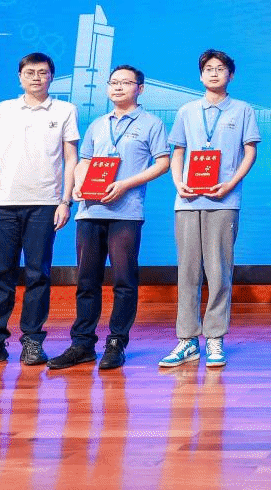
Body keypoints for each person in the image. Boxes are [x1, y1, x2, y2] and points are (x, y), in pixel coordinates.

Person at [0, 52, 79, 371]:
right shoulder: (3, 110)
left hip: (45, 204)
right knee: (1, 276)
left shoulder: (65, 110)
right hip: (2, 204)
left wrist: (65, 201)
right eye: (30, 72)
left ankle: (32, 341)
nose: (36, 77)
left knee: (38, 274)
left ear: (51, 77)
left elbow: (71, 158)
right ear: (20, 77)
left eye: (42, 72)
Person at [48, 65, 170, 371]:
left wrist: (125, 184)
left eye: (125, 83)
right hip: (89, 211)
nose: (117, 87)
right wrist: (78, 185)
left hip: (126, 212)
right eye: (113, 82)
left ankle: (116, 342)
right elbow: (84, 161)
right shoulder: (98, 124)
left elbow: (163, 163)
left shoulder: (151, 123)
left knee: (124, 280)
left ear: (140, 88)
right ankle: (82, 344)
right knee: (86, 280)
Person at [159, 49, 260, 369]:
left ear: (231, 74)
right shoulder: (187, 110)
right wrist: (178, 182)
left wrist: (231, 183)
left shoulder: (243, 110)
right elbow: (178, 151)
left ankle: (215, 336)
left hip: (224, 200)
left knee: (219, 270)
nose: (214, 73)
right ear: (200, 75)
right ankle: (187, 340)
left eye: (220, 68)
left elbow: (250, 152)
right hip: (188, 200)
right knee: (187, 270)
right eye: (208, 69)